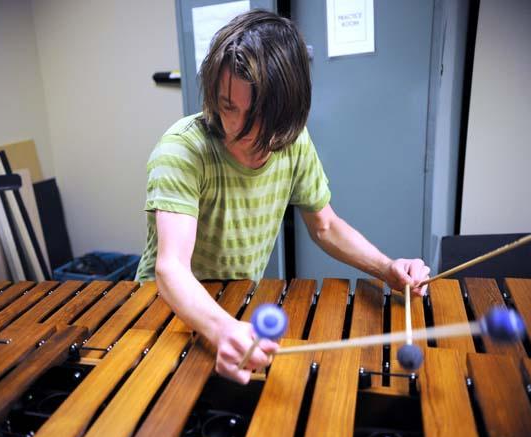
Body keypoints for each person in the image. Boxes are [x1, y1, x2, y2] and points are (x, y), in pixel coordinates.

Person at [135, 9, 429, 384]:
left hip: (233, 308)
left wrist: (386, 269)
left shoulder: (293, 143)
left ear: (288, 112)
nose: (238, 130)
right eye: (229, 108)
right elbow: (171, 268)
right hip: (163, 316)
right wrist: (222, 330)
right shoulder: (182, 151)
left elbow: (325, 226)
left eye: (257, 116)